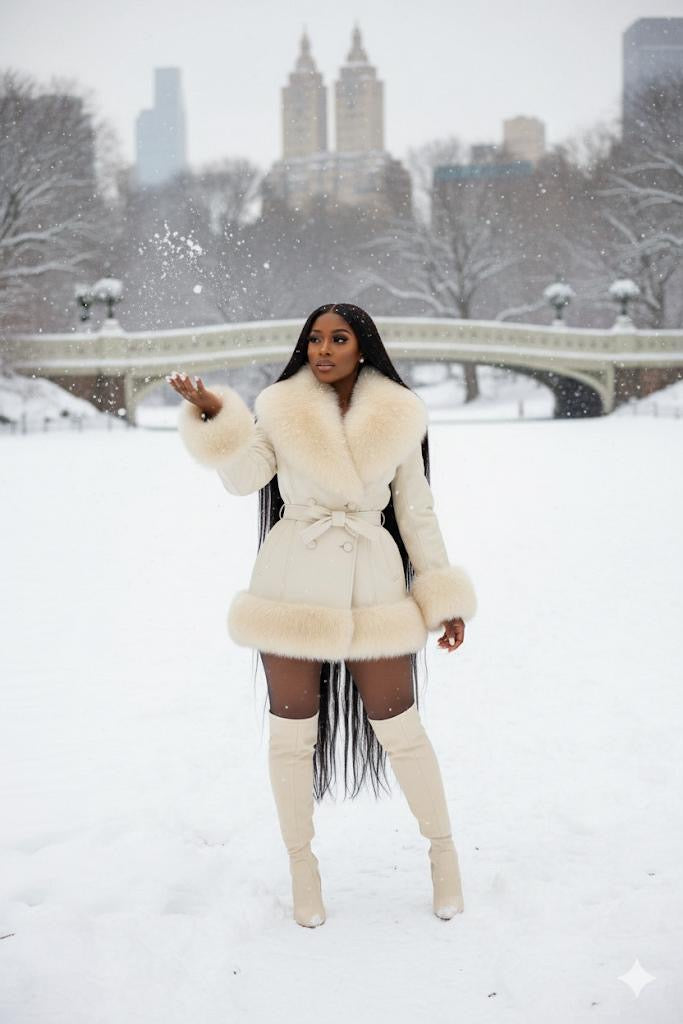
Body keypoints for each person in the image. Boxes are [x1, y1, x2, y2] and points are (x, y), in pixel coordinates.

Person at [169, 302, 477, 929]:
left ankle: (444, 857)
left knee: (401, 726)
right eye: (314, 339)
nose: (324, 349)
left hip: (375, 580)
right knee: (291, 736)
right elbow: (244, 479)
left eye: (338, 338)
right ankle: (301, 869)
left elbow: (416, 511)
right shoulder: (280, 407)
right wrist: (215, 417)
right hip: (292, 579)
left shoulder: (398, 414)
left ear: (362, 346)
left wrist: (441, 595)